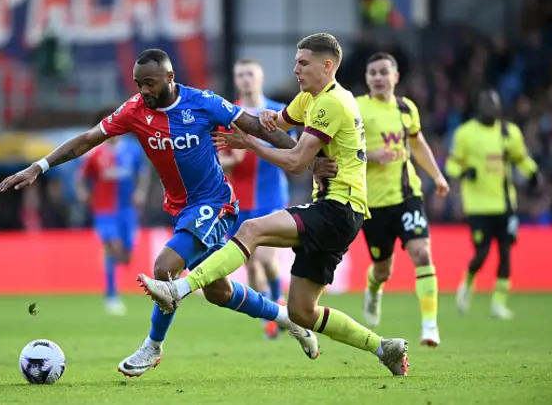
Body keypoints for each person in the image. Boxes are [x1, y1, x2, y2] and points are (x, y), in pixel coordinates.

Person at [0, 49, 331, 378]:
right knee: (220, 293)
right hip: (181, 209)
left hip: (216, 204)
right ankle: (288, 319)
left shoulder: (203, 102)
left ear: (170, 78)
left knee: (165, 267)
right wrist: (39, 166)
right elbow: (87, 140)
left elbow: (259, 127)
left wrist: (309, 159)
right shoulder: (134, 110)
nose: (144, 91)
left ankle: (152, 346)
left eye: (150, 83)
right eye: (138, 83)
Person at [138, 34, 410, 377]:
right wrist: (258, 121)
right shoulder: (309, 99)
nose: (295, 68)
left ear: (327, 66)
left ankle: (178, 288)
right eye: (296, 62)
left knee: (252, 230)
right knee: (302, 312)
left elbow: (295, 161)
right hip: (340, 212)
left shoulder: (331, 103)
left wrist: (248, 144)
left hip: (338, 208)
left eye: (303, 63)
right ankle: (383, 347)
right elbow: (276, 127)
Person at [355, 52, 449, 347]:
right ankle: (373, 288)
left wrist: (437, 176)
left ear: (395, 77)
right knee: (383, 269)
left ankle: (430, 327)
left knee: (422, 253)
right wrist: (372, 155)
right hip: (373, 203)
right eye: (373, 73)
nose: (379, 78)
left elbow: (417, 142)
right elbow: (340, 150)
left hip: (408, 195)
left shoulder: (406, 108)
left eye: (384, 72)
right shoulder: (355, 108)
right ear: (367, 78)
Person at [445, 89, 539, 320]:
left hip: (505, 204)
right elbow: (451, 164)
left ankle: (499, 303)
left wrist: (533, 172)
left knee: (506, 253)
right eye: (487, 107)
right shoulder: (465, 133)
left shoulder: (509, 132)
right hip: (478, 205)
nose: (491, 111)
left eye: (494, 107)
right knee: (482, 252)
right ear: (479, 108)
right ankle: (467, 283)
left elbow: (521, 158)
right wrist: (465, 172)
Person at [218, 58, 290, 339]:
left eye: (250, 74)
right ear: (236, 80)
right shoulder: (228, 114)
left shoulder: (277, 113)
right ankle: (273, 314)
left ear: (260, 77)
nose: (245, 79)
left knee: (263, 257)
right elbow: (221, 157)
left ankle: (277, 304)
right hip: (239, 200)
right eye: (240, 75)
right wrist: (231, 161)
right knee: (251, 264)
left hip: (271, 195)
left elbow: (291, 150)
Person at [75, 108, 150, 315]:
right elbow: (81, 177)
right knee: (112, 247)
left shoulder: (132, 149)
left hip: (127, 210)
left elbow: (143, 173)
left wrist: (141, 192)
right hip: (104, 210)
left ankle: (112, 279)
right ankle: (111, 295)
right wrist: (82, 193)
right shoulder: (95, 153)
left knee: (125, 255)